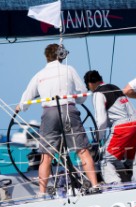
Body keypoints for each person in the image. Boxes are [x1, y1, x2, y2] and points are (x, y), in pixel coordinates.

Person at [17, 43, 98, 195]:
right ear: (61, 55)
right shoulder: (69, 70)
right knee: (82, 150)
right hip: (69, 110)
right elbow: (82, 94)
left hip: (49, 113)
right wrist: (77, 101)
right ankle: (94, 185)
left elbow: (26, 99)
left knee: (46, 155)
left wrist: (20, 107)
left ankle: (42, 193)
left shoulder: (39, 75)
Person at [83, 70, 136, 184]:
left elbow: (102, 121)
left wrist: (98, 138)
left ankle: (115, 186)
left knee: (105, 159)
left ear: (89, 84)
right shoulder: (115, 87)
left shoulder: (98, 94)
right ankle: (131, 180)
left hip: (123, 128)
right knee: (129, 159)